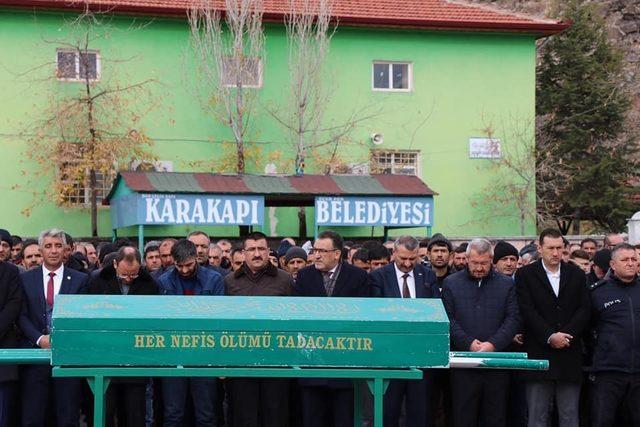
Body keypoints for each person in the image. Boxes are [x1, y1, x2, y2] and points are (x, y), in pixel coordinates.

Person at [515, 228, 590, 427]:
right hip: (539, 351)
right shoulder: (525, 274)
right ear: (540, 248)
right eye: (550, 248)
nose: (555, 253)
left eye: (559, 248)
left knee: (569, 415)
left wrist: (567, 335)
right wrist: (549, 335)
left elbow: (584, 309)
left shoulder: (576, 274)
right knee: (537, 415)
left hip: (569, 351)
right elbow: (526, 309)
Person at [294, 230, 369, 427]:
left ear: (337, 254)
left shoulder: (358, 277)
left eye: (322, 251)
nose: (316, 255)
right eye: (314, 250)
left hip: (344, 365)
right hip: (312, 365)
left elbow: (362, 319)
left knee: (344, 419)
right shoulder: (304, 276)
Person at [442, 238, 520, 427]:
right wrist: (468, 343)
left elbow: (513, 319)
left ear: (491, 261)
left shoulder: (506, 284)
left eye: (483, 263)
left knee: (495, 416)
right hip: (463, 364)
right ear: (467, 259)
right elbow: (447, 319)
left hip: (496, 364)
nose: (478, 268)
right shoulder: (451, 283)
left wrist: (492, 344)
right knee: (463, 416)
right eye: (475, 263)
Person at [19, 228, 88, 427]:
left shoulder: (80, 279)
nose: (54, 250)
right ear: (41, 249)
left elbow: (80, 318)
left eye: (58, 245)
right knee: (33, 417)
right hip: (34, 359)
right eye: (48, 246)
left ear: (66, 248)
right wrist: (40, 339)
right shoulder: (25, 279)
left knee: (67, 417)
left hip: (66, 359)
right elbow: (21, 315)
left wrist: (62, 340)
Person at [224, 232, 293, 427]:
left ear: (268, 251)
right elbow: (224, 325)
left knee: (275, 415)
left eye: (261, 249)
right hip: (241, 362)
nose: (257, 254)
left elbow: (292, 323)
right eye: (251, 249)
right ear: (243, 253)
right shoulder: (230, 282)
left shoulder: (285, 280)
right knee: (244, 417)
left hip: (276, 361)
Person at [370, 236, 437, 427]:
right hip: (390, 355)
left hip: (420, 354)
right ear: (394, 254)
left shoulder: (427, 275)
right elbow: (376, 315)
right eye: (403, 259)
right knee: (388, 411)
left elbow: (435, 311)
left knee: (419, 412)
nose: (408, 263)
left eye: (412, 259)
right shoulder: (379, 277)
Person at [88, 246, 158, 426]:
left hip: (135, 357)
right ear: (114, 264)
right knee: (106, 411)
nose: (128, 279)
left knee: (135, 413)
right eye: (124, 274)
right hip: (105, 355)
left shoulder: (149, 284)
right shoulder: (98, 280)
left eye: (133, 274)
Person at [157, 239, 224, 427]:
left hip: (204, 354)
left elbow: (219, 322)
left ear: (196, 257)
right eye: (180, 266)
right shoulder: (163, 281)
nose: (184, 270)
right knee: (173, 414)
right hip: (173, 355)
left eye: (188, 265)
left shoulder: (213, 279)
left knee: (206, 415)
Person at [588, 243, 640, 426]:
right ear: (612, 264)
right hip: (608, 372)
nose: (630, 263)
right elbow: (587, 329)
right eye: (625, 260)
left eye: (634, 259)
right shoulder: (598, 292)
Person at [0, 231, 22, 427]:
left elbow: (13, 305)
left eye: (4, 244)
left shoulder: (12, 272)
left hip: (4, 345)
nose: (0, 249)